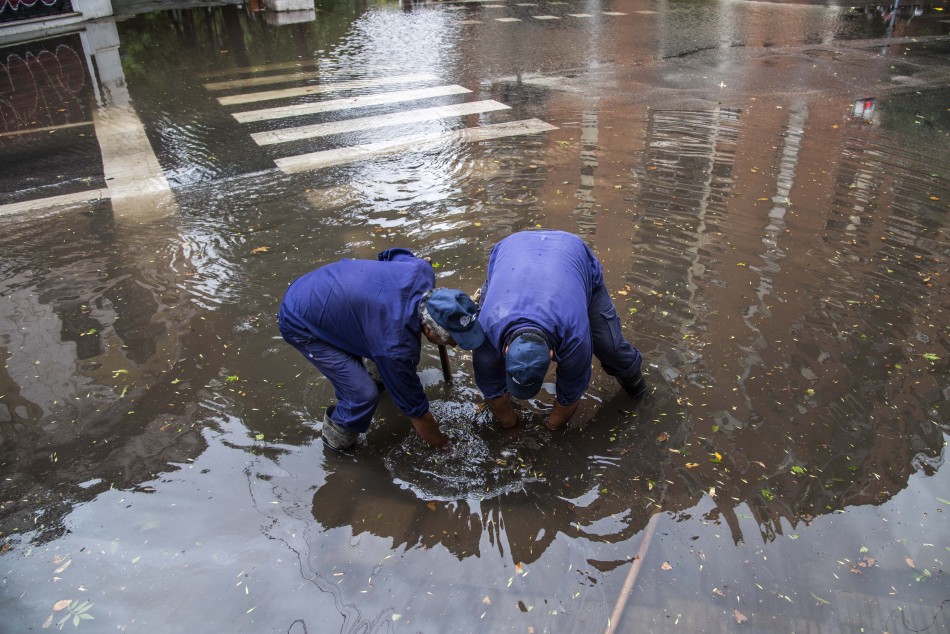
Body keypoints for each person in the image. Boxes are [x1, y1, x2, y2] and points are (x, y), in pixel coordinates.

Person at [278, 248, 485, 451]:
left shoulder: (420, 270)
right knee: (363, 395)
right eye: (451, 340)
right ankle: (336, 440)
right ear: (429, 331)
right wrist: (443, 446)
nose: (454, 345)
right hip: (301, 319)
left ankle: (382, 376)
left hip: (324, 286)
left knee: (385, 350)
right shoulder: (396, 347)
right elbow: (417, 413)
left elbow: (390, 254)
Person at [472, 230, 646, 431]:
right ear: (505, 350)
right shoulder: (486, 330)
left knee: (611, 349)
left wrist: (549, 429)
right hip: (511, 251)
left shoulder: (575, 336)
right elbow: (491, 389)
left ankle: (639, 393)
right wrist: (510, 426)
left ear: (552, 354)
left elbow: (570, 395)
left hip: (572, 254)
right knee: (488, 365)